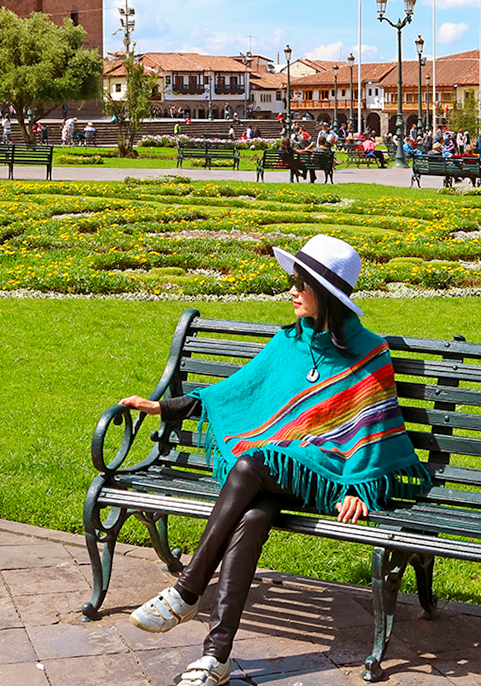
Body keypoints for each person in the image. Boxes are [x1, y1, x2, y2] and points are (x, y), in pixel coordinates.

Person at [119, 235, 428, 686]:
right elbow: (235, 392)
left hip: (327, 479)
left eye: (301, 284)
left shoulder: (369, 352)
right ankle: (216, 656)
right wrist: (165, 407)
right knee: (252, 516)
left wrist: (357, 487)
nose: (292, 291)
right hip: (276, 477)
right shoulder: (288, 343)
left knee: (250, 465)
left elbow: (375, 430)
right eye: (293, 281)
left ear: (325, 293)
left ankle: (187, 591)